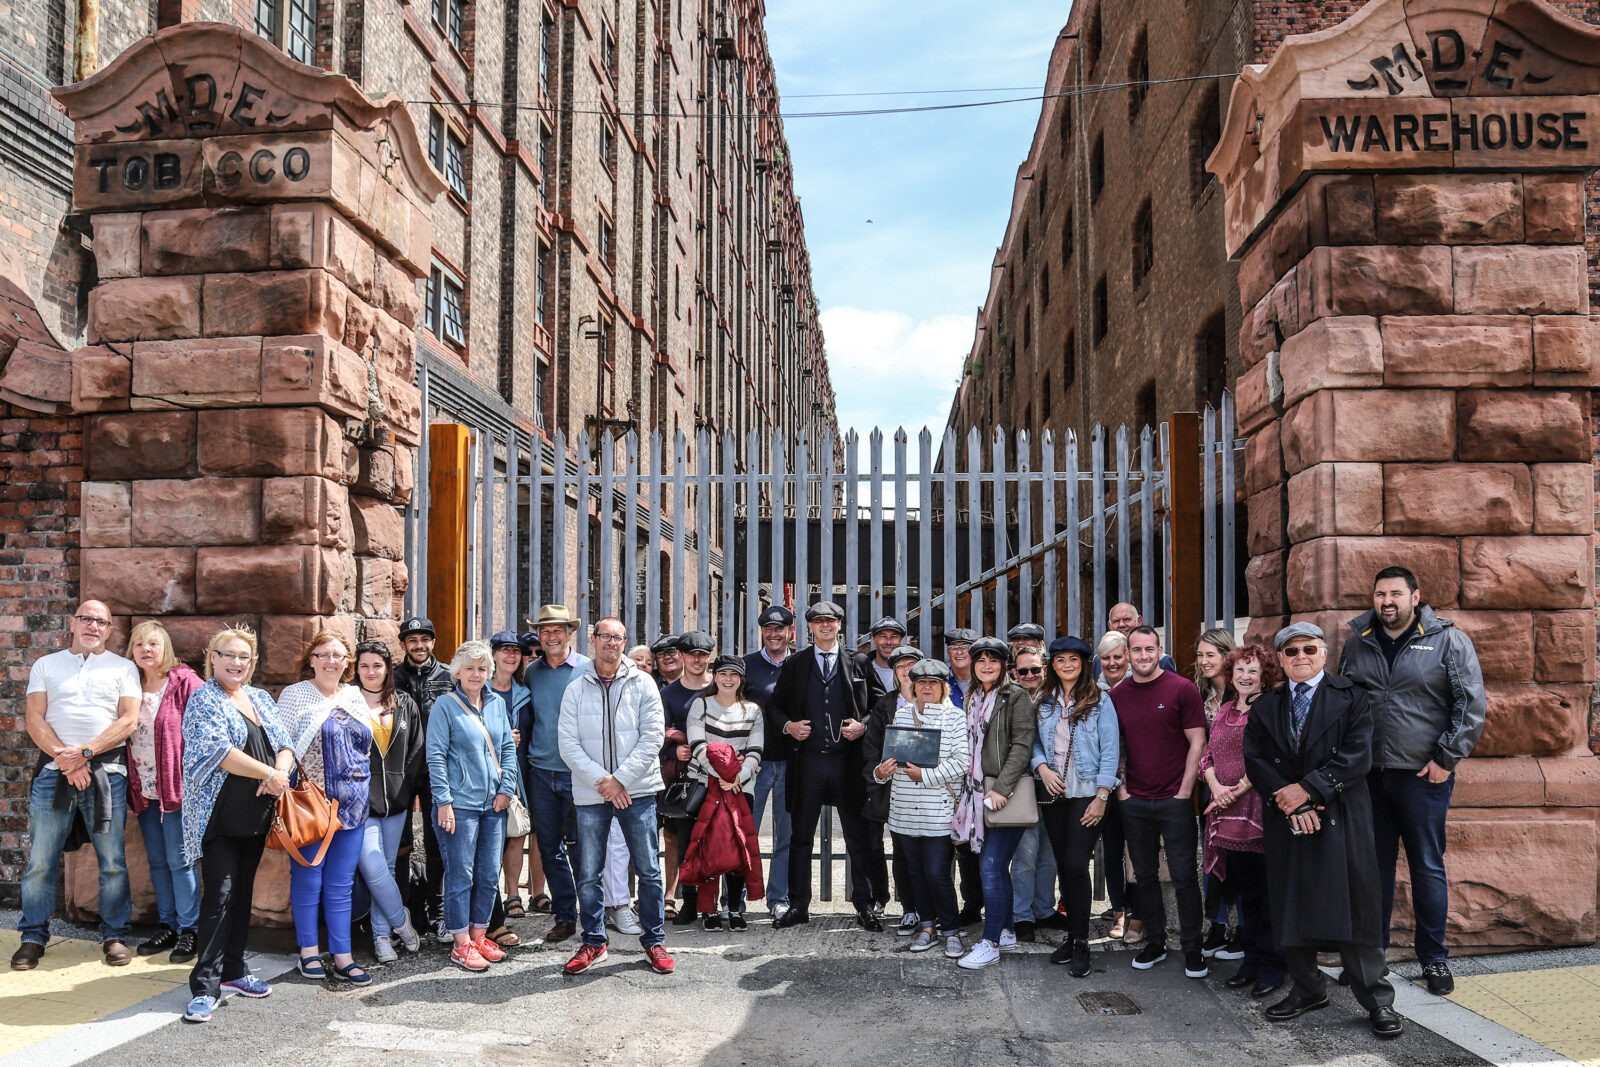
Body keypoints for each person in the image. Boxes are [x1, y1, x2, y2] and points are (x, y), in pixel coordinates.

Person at [1243, 623, 1401, 1040]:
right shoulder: (1264, 707)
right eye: (1290, 651)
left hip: (1340, 814)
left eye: (1308, 649)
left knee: (1353, 909)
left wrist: (1310, 792)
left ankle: (1377, 1001)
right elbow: (1256, 761)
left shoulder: (1352, 697)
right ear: (1279, 658)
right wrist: (1288, 799)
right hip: (1288, 818)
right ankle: (1309, 989)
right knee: (1291, 905)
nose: (1300, 657)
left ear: (1323, 653)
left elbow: (1357, 756)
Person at [1340, 565, 1486, 996]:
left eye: (1396, 594)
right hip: (1369, 777)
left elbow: (1470, 705)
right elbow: (1345, 705)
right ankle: (1371, 957)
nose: (1387, 601)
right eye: (1380, 594)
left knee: (1426, 866)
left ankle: (1434, 958)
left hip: (1424, 776)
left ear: (1415, 596)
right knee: (1374, 869)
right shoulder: (1357, 643)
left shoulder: (1447, 640)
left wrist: (1446, 757)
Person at [13, 600, 141, 972]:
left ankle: (114, 934)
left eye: (101, 622)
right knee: (41, 859)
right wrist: (67, 761)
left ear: (110, 630)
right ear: (73, 623)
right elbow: (34, 719)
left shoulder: (124, 667)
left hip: (106, 773)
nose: (93, 626)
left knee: (112, 859)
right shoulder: (46, 665)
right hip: (55, 772)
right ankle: (32, 936)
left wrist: (84, 753)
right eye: (86, 618)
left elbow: (128, 720)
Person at [178, 626, 294, 1023]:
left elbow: (285, 742)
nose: (236, 663)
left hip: (256, 816)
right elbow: (219, 753)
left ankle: (234, 970)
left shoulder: (260, 697)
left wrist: (280, 771)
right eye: (228, 655)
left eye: (244, 657)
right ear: (212, 657)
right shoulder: (203, 700)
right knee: (220, 897)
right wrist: (271, 774)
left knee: (242, 893)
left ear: (252, 662)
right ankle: (204, 987)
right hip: (219, 818)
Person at [558, 617, 674, 976]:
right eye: (605, 636)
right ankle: (593, 941)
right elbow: (567, 744)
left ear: (625, 642)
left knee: (649, 870)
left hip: (636, 791)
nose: (611, 643)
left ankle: (654, 940)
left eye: (618, 637)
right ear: (593, 640)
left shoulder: (643, 684)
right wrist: (603, 781)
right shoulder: (576, 688)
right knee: (589, 872)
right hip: (592, 794)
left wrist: (621, 780)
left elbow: (652, 737)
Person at [768, 601, 881, 930]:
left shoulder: (858, 661)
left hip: (848, 762)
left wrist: (864, 725)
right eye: (818, 622)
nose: (825, 626)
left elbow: (879, 705)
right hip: (809, 762)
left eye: (830, 621)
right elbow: (774, 706)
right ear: (810, 628)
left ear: (840, 625)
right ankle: (798, 905)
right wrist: (789, 726)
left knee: (857, 837)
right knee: (800, 837)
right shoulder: (796, 664)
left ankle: (865, 904)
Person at [278, 629, 374, 986]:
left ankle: (343, 955)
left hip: (354, 804)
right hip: (311, 805)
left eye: (338, 655)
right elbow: (281, 743)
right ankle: (308, 952)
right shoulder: (295, 695)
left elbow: (365, 747)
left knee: (341, 884)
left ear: (347, 662)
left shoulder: (353, 695)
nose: (332, 661)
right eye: (324, 655)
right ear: (312, 660)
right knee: (309, 878)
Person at [1112, 626, 1208, 978]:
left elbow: (1197, 742)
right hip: (1134, 800)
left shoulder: (1182, 689)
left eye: (1149, 649)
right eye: (1136, 650)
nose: (1143, 656)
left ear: (1159, 649)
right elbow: (1116, 746)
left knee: (1184, 876)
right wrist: (1122, 790)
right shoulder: (1118, 695)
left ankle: (1193, 948)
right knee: (1146, 876)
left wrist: (1184, 792)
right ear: (1128, 653)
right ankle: (1155, 941)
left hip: (1174, 800)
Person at [428, 640, 519, 972]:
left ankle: (480, 935)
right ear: (457, 671)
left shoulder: (496, 704)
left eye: (482, 669)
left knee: (487, 873)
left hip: (493, 805)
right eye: (470, 668)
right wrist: (444, 801)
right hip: (460, 805)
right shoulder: (445, 706)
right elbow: (435, 756)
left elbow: (507, 749)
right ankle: (461, 943)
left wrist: (506, 789)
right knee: (460, 873)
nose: (476, 674)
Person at [1201, 643, 1286, 999]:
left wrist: (1232, 792)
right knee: (1246, 896)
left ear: (1264, 674)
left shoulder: (1269, 709)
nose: (1246, 676)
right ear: (1230, 674)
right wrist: (1216, 785)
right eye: (1240, 670)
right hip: (1226, 815)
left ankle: (1271, 967)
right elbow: (1208, 753)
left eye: (1253, 670)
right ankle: (1250, 963)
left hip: (1256, 813)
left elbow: (1270, 758)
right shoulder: (1224, 710)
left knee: (1265, 897)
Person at [1031, 636, 1119, 977]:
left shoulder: (1100, 700)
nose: (1066, 664)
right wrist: (1042, 769)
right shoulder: (1044, 699)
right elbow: (1035, 743)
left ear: (1084, 663)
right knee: (1064, 867)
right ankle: (1071, 936)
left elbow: (1111, 752)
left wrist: (1102, 796)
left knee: (1076, 863)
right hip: (1055, 793)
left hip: (1087, 793)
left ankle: (1081, 942)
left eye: (1073, 659)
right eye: (1060, 659)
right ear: (1052, 664)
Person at [870, 659, 969, 960]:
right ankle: (927, 927)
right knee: (914, 873)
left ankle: (950, 930)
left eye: (933, 683)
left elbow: (962, 763)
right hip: (903, 811)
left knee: (937, 872)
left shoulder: (955, 717)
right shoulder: (901, 714)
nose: (927, 687)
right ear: (912, 686)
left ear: (942, 687)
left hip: (937, 811)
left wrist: (924, 775)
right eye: (921, 683)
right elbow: (889, 758)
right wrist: (880, 772)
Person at [953, 637, 1036, 970]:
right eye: (981, 660)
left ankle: (989, 944)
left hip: (1004, 795)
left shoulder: (1016, 696)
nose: (987, 666)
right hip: (976, 794)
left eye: (994, 660)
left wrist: (1002, 787)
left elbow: (1022, 745)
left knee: (990, 866)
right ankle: (1006, 930)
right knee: (996, 867)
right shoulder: (974, 697)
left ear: (1005, 665)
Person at [125, 620, 204, 963]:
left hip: (177, 789)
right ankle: (168, 924)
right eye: (140, 643)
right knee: (157, 860)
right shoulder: (128, 682)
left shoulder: (184, 681)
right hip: (143, 786)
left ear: (165, 648)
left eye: (153, 644)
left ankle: (190, 930)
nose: (146, 650)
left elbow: (205, 724)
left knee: (180, 860)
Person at [521, 604, 590, 945]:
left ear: (569, 633)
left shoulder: (587, 670)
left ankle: (592, 916)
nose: (551, 636)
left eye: (557, 630)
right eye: (544, 630)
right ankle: (565, 916)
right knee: (549, 848)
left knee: (582, 848)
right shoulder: (532, 672)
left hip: (578, 774)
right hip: (541, 773)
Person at [353, 640, 426, 964]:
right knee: (371, 862)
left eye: (377, 666)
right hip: (361, 803)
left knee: (389, 867)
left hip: (397, 802)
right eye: (365, 666)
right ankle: (402, 923)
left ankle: (382, 937)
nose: (371, 672)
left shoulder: (404, 703)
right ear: (356, 669)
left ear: (387, 669)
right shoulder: (348, 703)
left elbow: (416, 751)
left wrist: (406, 793)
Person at [684, 655, 764, 928]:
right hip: (707, 784)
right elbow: (697, 745)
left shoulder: (752, 710)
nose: (728, 679)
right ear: (714, 676)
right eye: (722, 673)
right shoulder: (701, 705)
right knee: (709, 848)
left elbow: (755, 752)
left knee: (737, 847)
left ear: (741, 679)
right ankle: (708, 911)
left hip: (741, 788)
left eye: (734, 674)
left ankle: (734, 908)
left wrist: (738, 777)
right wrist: (723, 776)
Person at [395, 617, 454, 938]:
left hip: (436, 770)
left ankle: (438, 912)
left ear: (433, 641)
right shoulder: (392, 677)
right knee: (400, 845)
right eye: (412, 639)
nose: (419, 645)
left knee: (437, 843)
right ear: (403, 643)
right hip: (401, 773)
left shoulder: (449, 676)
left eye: (424, 639)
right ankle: (402, 913)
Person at [862, 643, 922, 933]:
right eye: (900, 666)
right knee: (875, 845)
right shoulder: (884, 705)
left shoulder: (936, 702)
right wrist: (877, 771)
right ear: (895, 673)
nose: (907, 670)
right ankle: (882, 900)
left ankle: (916, 907)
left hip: (923, 789)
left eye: (911, 665)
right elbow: (870, 749)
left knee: (911, 851)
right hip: (886, 788)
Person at [744, 605, 795, 921]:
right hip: (755, 763)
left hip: (792, 762)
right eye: (768, 629)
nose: (773, 634)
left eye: (779, 629)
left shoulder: (801, 664)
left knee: (785, 835)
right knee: (742, 832)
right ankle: (733, 898)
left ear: (791, 631)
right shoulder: (747, 666)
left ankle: (778, 897)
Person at [1194, 626, 1242, 962]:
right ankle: (1218, 925)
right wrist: (1212, 785)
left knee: (1242, 860)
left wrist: (1236, 788)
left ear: (1228, 655)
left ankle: (1244, 929)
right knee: (1212, 859)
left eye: (1211, 654)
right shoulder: (1199, 696)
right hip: (1209, 791)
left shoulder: (1245, 694)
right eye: (1200, 655)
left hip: (1242, 791)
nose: (1203, 661)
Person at [662, 629, 715, 919]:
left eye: (703, 655)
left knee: (715, 840)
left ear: (710, 657)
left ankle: (711, 904)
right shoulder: (669, 693)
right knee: (685, 841)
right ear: (681, 656)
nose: (697, 660)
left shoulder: (719, 686)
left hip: (718, 776)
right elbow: (655, 733)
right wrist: (674, 752)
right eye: (691, 655)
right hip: (685, 780)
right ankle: (690, 901)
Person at [1006, 645, 1056, 942]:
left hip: (1054, 787)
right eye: (1023, 670)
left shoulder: (1057, 696)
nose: (1029, 675)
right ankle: (1022, 915)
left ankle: (1044, 909)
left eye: (1035, 669)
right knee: (1025, 855)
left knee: (1049, 855)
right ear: (1014, 672)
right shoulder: (1009, 698)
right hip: (1023, 783)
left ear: (1044, 669)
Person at [1094, 630, 1138, 942]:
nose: (1112, 663)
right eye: (1106, 658)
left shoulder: (1139, 687)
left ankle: (1139, 914)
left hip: (1138, 781)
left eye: (1117, 657)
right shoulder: (1094, 692)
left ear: (1128, 657)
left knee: (1136, 850)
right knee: (1111, 850)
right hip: (1107, 781)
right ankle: (1119, 911)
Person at [488, 631, 534, 920]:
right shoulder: (479, 689)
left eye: (516, 651)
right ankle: (491, 896)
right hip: (487, 773)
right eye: (505, 650)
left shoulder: (524, 693)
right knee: (492, 835)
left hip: (520, 770)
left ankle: (514, 893)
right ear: (493, 654)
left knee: (517, 831)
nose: (511, 656)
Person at [1097, 603, 1175, 677]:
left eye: (1127, 619)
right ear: (1110, 626)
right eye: (1116, 621)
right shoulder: (1099, 660)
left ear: (1139, 621)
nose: (1121, 625)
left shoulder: (1161, 660)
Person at [864, 617, 907, 697]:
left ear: (901, 640)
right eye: (883, 636)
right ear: (873, 639)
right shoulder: (862, 669)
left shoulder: (910, 671)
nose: (888, 642)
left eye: (894, 637)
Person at [944, 627, 977, 708]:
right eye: (954, 648)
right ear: (948, 652)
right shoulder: (941, 682)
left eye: (965, 647)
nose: (959, 652)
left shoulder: (984, 681)